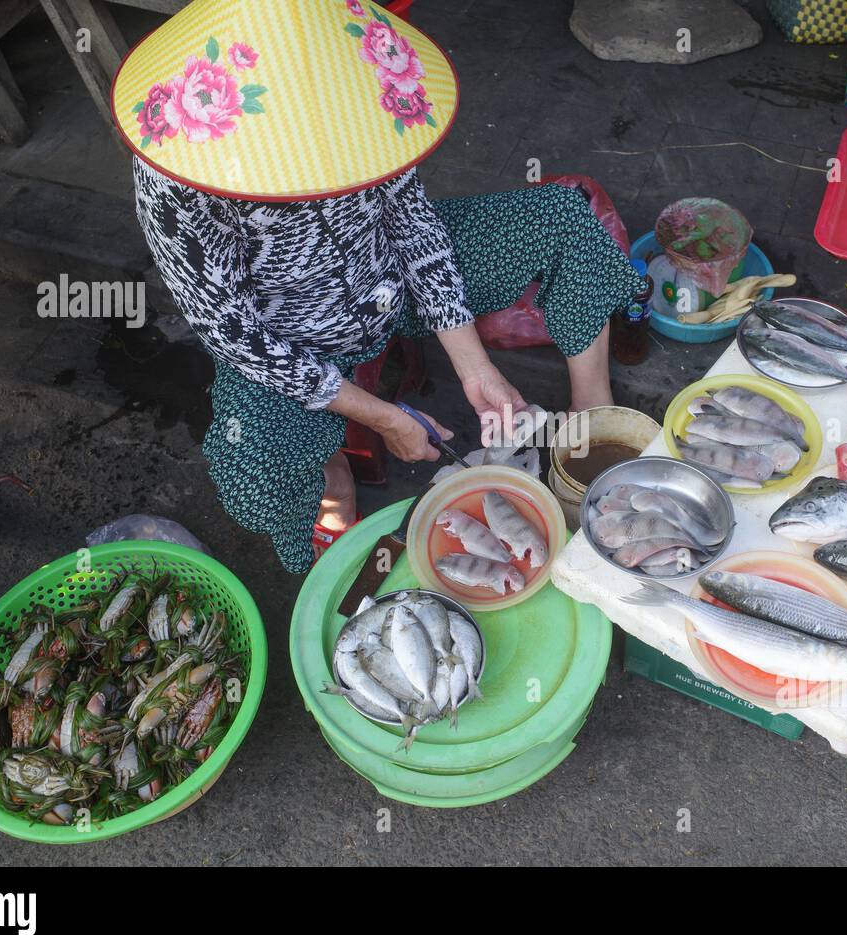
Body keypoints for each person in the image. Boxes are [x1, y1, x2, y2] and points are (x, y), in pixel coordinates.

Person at [114, 0, 645, 572]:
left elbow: (412, 226)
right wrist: (384, 418)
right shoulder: (179, 166)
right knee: (254, 477)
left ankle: (593, 412)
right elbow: (232, 332)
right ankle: (333, 476)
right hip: (288, 341)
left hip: (390, 283)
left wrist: (474, 367)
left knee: (564, 217)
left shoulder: (362, 89)